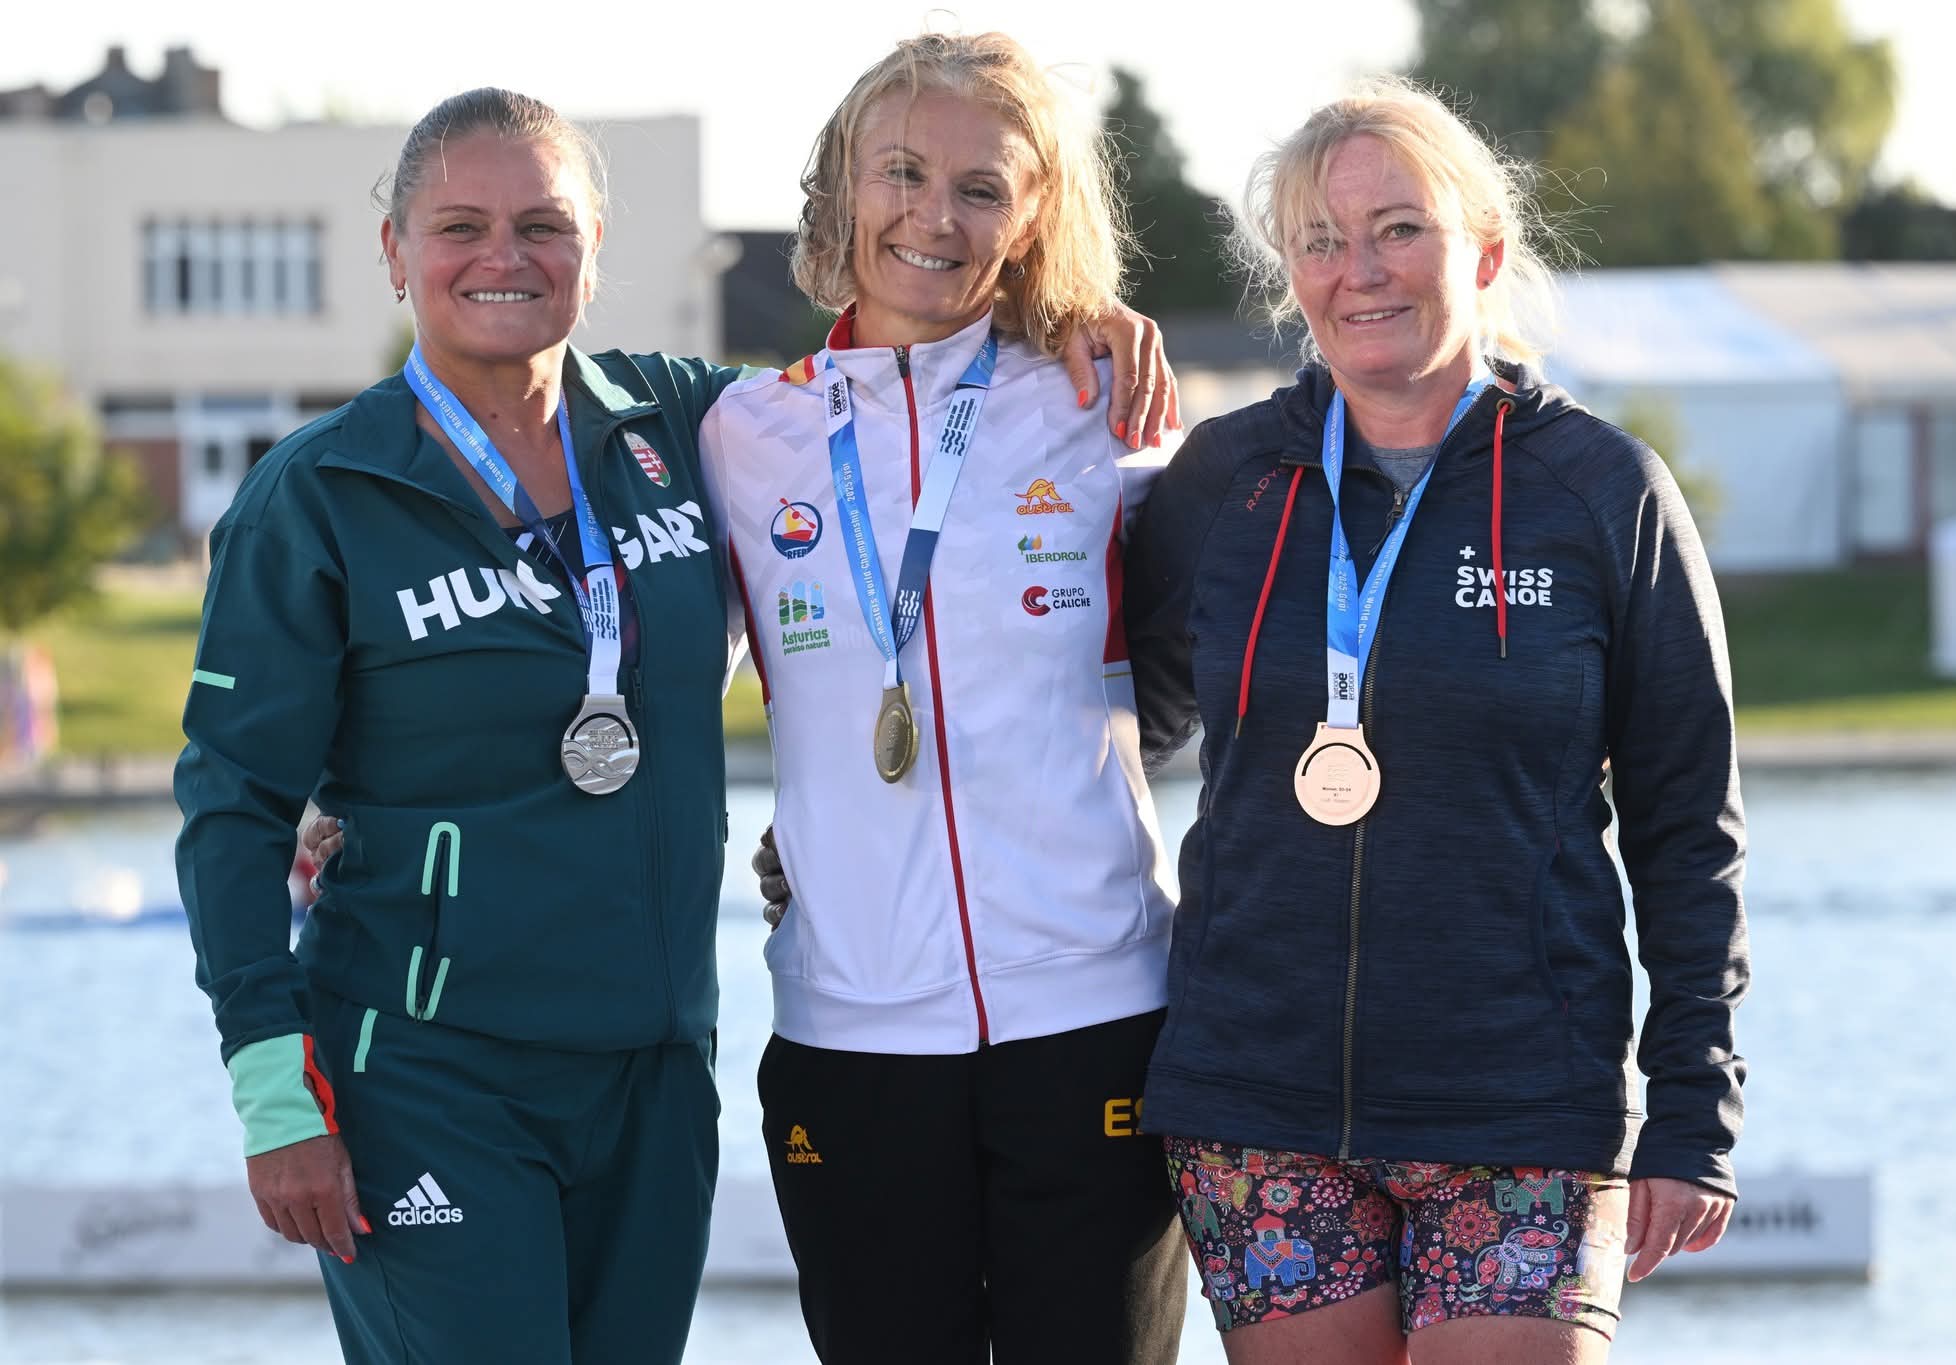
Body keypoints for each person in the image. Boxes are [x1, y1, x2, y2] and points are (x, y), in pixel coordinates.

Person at [180, 86, 1169, 1365]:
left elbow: (896, 382)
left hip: (651, 1063)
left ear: (594, 249)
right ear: (393, 251)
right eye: (458, 226)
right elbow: (229, 809)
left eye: (543, 223)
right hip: (426, 1070)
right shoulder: (317, 493)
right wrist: (272, 1094)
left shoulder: (687, 424)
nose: (504, 257)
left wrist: (1067, 313)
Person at [1122, 80, 1750, 1363]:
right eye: (1317, 240)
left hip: (1521, 1104)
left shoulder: (1599, 493)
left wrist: (1693, 1109)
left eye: (1397, 228)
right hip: (1260, 1103)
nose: (1357, 272)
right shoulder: (1223, 483)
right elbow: (1104, 726)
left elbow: (1688, 827)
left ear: (1484, 250)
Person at [700, 33, 1186, 1365]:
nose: (934, 213)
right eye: (901, 171)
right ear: (842, 187)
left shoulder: (1105, 405)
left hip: (1096, 1020)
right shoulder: (741, 436)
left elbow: (1219, 672)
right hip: (852, 1031)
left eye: (982, 188)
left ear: (1033, 218)